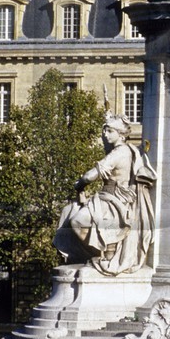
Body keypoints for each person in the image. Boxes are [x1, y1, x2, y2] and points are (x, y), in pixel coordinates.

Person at [54, 115, 158, 275]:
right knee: (69, 212)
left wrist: (79, 184)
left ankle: (105, 253)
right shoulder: (124, 150)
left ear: (121, 134)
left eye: (109, 131)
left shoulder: (119, 152)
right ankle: (101, 253)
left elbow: (90, 176)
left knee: (77, 221)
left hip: (114, 200)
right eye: (105, 131)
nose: (105, 134)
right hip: (106, 196)